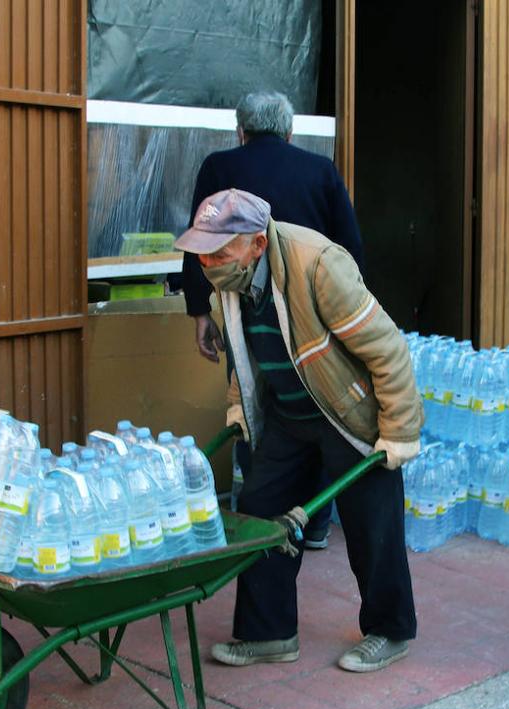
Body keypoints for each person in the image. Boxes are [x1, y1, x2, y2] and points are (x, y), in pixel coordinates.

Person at [175, 188, 422, 673]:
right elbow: (247, 359)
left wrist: (398, 429)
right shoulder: (229, 279)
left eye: (219, 251)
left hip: (346, 413)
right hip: (289, 417)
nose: (207, 262)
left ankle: (389, 630)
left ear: (257, 245)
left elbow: (387, 349)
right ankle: (268, 633)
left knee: (372, 524)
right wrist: (239, 409)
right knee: (260, 513)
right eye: (202, 251)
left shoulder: (319, 266)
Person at [182, 90, 363, 550]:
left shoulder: (219, 168)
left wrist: (200, 312)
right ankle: (317, 522)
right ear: (290, 131)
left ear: (241, 131)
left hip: (246, 317)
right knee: (320, 408)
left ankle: (264, 518)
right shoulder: (318, 170)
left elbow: (203, 248)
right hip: (315, 322)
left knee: (251, 404)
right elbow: (350, 250)